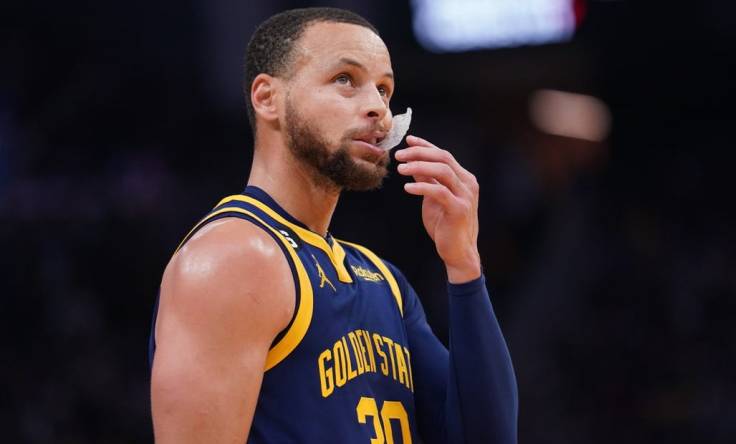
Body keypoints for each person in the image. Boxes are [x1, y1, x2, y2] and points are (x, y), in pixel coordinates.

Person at [149, 7, 517, 444]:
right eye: (345, 79)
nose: (379, 109)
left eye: (384, 89)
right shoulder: (233, 258)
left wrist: (464, 264)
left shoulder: (383, 280)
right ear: (268, 98)